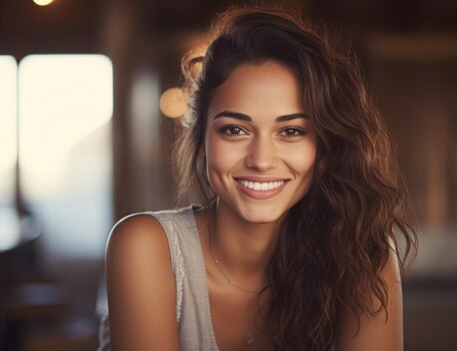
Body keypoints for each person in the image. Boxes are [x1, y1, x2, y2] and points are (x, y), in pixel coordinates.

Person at [98, 5, 416, 351]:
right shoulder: (144, 247)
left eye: (291, 131)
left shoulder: (361, 251)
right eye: (235, 130)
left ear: (324, 146)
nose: (261, 160)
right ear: (202, 140)